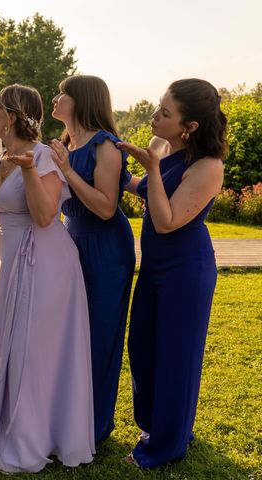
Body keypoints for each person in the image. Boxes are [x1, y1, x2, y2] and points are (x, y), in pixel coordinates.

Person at [0, 84, 95, 472]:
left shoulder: (42, 155)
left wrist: (29, 170)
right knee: (9, 345)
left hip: (43, 261)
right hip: (7, 259)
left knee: (33, 350)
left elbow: (45, 215)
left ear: (10, 116)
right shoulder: (0, 157)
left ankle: (34, 437)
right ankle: (7, 427)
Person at [117, 78, 226, 468]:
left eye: (165, 112)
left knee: (175, 357)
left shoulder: (208, 166)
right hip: (155, 268)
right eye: (157, 107)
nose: (154, 115)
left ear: (190, 125)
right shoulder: (164, 148)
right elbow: (145, 190)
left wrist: (151, 166)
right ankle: (160, 426)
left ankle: (165, 447)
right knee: (143, 347)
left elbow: (166, 220)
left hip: (186, 271)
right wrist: (115, 172)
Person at [49, 75, 135, 443]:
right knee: (70, 333)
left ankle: (94, 426)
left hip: (105, 248)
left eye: (63, 93)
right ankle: (68, 416)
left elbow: (105, 207)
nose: (55, 98)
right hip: (72, 239)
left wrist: (67, 171)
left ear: (81, 100)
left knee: (98, 336)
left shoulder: (105, 145)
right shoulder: (67, 142)